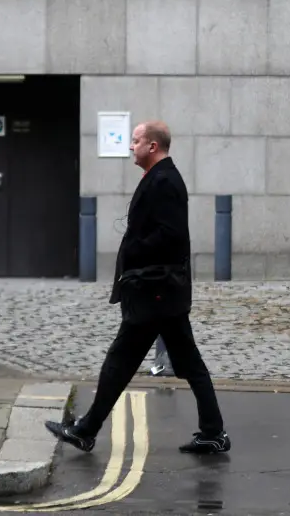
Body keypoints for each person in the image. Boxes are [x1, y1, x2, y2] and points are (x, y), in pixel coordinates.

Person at [46, 121, 230, 454]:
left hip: (155, 291)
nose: (131, 146)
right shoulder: (159, 178)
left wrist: (134, 248)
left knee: (121, 359)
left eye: (136, 141)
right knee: (185, 363)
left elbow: (171, 236)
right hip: (159, 291)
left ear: (153, 146)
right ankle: (213, 433)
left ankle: (87, 430)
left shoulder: (164, 181)